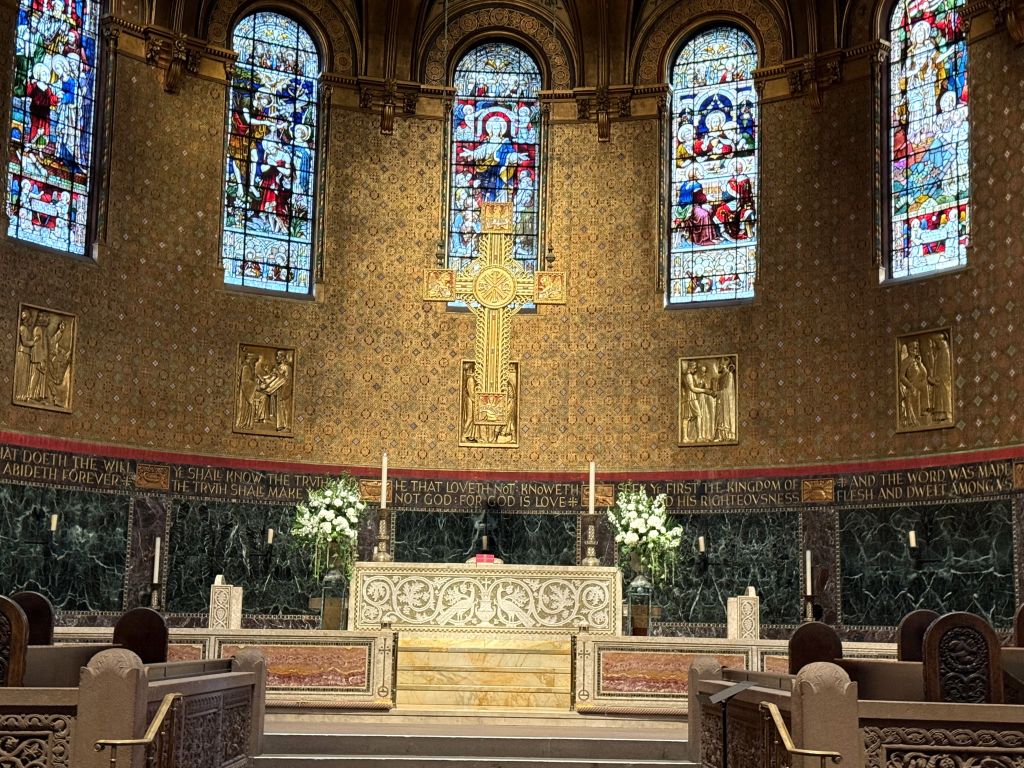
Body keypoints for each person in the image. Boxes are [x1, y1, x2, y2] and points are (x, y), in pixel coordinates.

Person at [459, 114, 528, 202]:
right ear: (490, 129)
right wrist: (472, 153)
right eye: (494, 128)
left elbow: (510, 154)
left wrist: (516, 156)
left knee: (501, 193)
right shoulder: (487, 142)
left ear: (501, 130)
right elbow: (480, 152)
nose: (496, 130)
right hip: (488, 172)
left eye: (498, 128)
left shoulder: (505, 142)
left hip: (501, 172)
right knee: (488, 193)